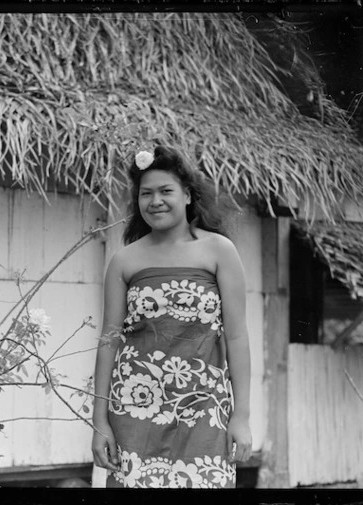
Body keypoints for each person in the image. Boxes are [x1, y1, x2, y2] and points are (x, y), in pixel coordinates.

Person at [91, 146, 252, 488]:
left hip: (205, 412)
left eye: (166, 191)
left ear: (188, 195)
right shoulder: (124, 260)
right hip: (134, 408)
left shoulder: (219, 250)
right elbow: (109, 341)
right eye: (146, 194)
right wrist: (100, 421)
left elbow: (237, 337)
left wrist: (242, 415)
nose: (155, 201)